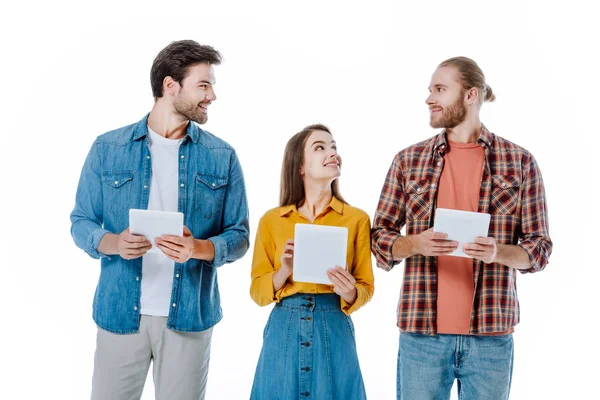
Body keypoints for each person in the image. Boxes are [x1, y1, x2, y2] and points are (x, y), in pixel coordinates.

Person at [69, 40, 249, 400]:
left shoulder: (222, 156)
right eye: (204, 84)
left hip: (188, 318)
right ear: (170, 86)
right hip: (121, 314)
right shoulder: (108, 147)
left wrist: (198, 248)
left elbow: (240, 234)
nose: (212, 95)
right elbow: (82, 222)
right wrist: (115, 243)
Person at [371, 57, 552, 400]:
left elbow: (539, 249)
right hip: (422, 335)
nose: (429, 99)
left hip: (490, 337)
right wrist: (415, 244)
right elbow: (380, 239)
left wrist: (499, 251)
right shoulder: (408, 161)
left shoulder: (520, 161)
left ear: (470, 95)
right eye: (429, 90)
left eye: (439, 89)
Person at [249, 124, 374, 399]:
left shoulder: (357, 219)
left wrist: (349, 290)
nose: (332, 153)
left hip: (335, 326)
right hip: (284, 326)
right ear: (300, 166)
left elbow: (366, 288)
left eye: (334, 147)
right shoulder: (272, 220)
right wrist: (284, 272)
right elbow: (257, 293)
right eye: (320, 147)